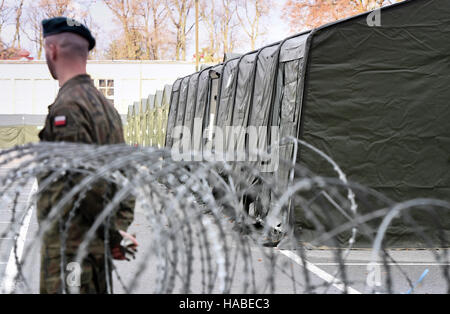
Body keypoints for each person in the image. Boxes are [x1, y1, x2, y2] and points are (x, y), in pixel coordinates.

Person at [37, 17, 137, 294]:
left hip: (70, 253)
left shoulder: (67, 108)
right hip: (94, 254)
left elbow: (84, 183)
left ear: (52, 50)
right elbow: (126, 175)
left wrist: (113, 235)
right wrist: (117, 229)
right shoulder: (106, 108)